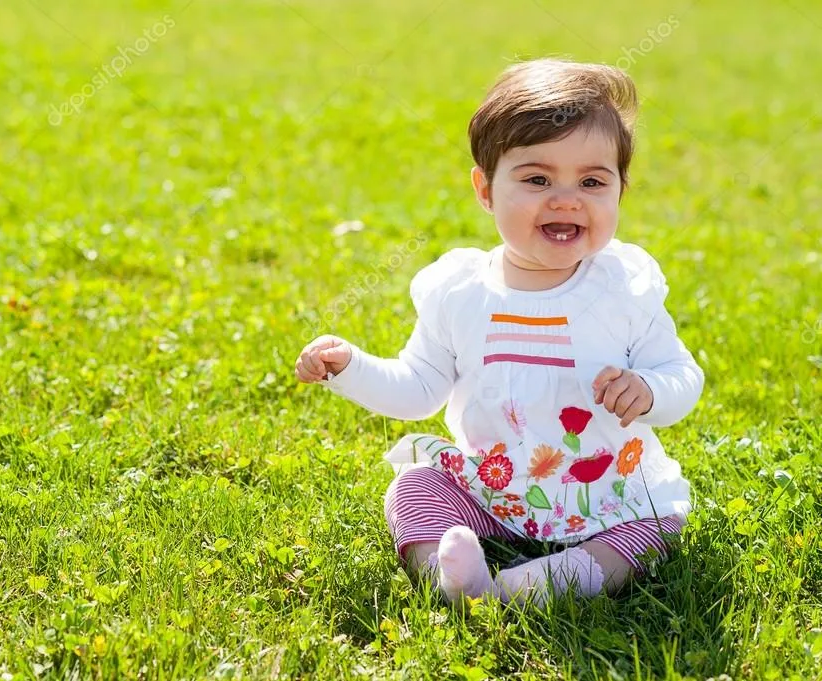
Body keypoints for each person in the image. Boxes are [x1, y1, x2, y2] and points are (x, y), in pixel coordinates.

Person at [294, 58, 704, 607]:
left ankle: (528, 588)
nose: (565, 198)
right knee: (412, 487)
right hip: (492, 486)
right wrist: (351, 366)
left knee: (652, 527)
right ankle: (450, 575)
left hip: (607, 491)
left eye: (591, 181)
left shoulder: (623, 287)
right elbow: (417, 388)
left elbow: (682, 374)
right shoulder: (461, 291)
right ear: (485, 189)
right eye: (537, 179)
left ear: (619, 190)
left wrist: (651, 390)